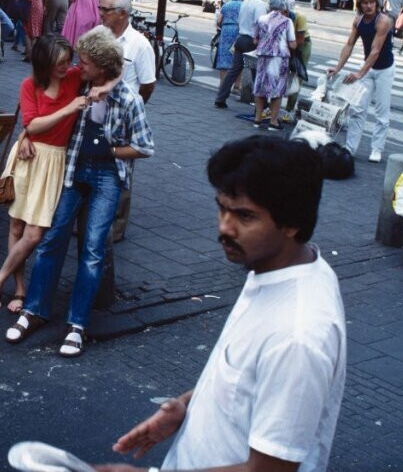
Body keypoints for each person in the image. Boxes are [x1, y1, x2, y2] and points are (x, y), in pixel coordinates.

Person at [98, 136, 344, 472]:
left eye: (244, 216)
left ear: (292, 223)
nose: (224, 227)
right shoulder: (277, 264)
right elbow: (246, 377)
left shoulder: (297, 337)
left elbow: (269, 470)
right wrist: (188, 405)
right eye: (221, 207)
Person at [5, 27, 154, 358]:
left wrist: (111, 151)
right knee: (52, 238)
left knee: (93, 248)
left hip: (106, 177)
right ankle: (35, 310)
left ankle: (77, 324)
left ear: (99, 66)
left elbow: (145, 147)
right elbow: (41, 115)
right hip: (73, 170)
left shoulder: (128, 100)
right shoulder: (82, 84)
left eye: (84, 61)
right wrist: (27, 136)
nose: (77, 65)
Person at [0, 35, 88, 314]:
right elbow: (33, 123)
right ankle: (19, 289)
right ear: (44, 63)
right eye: (60, 62)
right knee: (16, 226)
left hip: (54, 161)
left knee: (34, 232)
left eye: (69, 60)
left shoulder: (75, 76)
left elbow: (112, 72)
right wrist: (28, 133)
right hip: (28, 158)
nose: (67, 66)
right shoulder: (30, 85)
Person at [327, 0, 395, 163]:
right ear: (360, 4)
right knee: (357, 109)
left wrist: (359, 73)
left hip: (384, 70)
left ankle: (377, 149)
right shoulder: (357, 20)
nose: (368, 6)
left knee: (381, 112)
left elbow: (375, 51)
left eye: (372, 2)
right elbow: (349, 45)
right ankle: (350, 149)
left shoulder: (384, 21)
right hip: (367, 67)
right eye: (365, 2)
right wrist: (338, 68)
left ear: (377, 3)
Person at [214, 0, 274, 109]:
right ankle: (262, 105)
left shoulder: (246, 1)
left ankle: (220, 98)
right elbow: (261, 23)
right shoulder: (260, 4)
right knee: (258, 73)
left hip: (240, 38)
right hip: (252, 40)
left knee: (234, 70)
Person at [97, 0, 156, 103]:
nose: (101, 13)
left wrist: (132, 107)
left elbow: (148, 85)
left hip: (120, 112)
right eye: (100, 8)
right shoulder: (97, 33)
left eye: (106, 9)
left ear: (122, 14)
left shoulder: (141, 45)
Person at [252, 0, 297, 131]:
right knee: (278, 89)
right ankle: (273, 122)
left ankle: (258, 119)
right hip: (279, 58)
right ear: (284, 6)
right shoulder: (287, 21)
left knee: (260, 86)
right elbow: (293, 44)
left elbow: (255, 40)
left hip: (263, 56)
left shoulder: (261, 19)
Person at [280, 0, 311, 113]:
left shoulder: (299, 17)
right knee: (281, 73)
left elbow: (299, 40)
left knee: (297, 76)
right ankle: (273, 107)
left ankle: (289, 110)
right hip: (288, 43)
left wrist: (288, 50)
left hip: (301, 44)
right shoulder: (279, 16)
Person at [213, 0, 244, 87]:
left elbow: (218, 21)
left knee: (224, 57)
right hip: (239, 31)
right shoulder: (244, 6)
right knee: (238, 58)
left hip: (226, 31)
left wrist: (223, 27)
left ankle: (222, 83)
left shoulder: (226, 5)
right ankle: (237, 84)